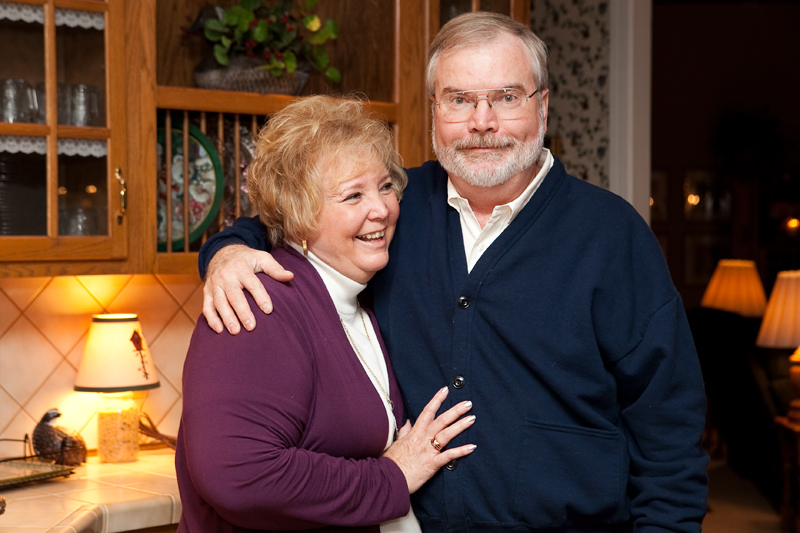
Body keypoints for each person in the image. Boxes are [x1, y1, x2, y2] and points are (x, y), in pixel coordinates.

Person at [197, 12, 709, 533]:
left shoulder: (612, 235)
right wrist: (225, 253)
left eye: (507, 97)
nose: (481, 121)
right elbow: (290, 219)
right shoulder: (394, 207)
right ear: (434, 110)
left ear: (544, 106)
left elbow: (669, 435)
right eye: (459, 100)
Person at [176, 95, 477, 533]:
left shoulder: (354, 296)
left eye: (386, 186)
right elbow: (239, 477)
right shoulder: (260, 304)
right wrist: (392, 476)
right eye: (353, 195)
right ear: (297, 215)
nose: (382, 209)